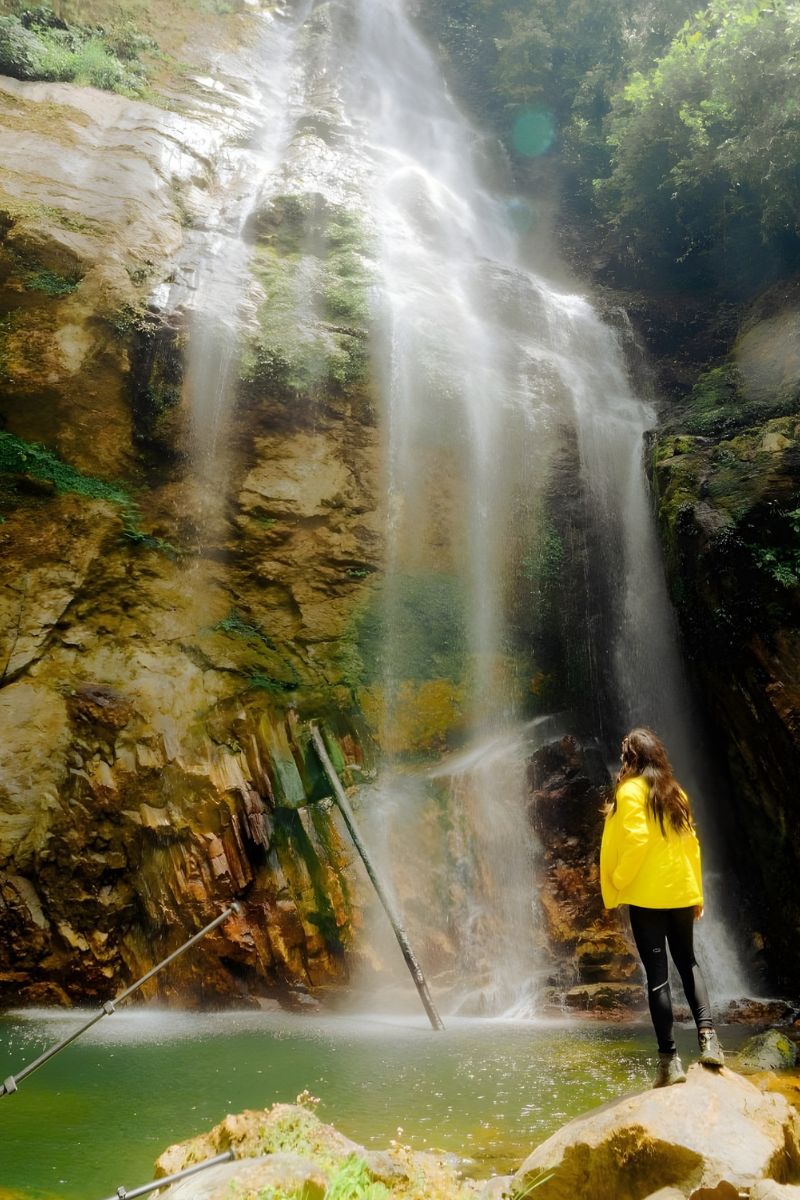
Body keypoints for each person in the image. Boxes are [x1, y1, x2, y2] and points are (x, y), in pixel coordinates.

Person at [600, 727, 724, 1088]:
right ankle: (709, 1040)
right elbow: (692, 844)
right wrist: (697, 893)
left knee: (658, 976)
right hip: (681, 893)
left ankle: (670, 1062)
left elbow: (637, 840)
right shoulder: (676, 792)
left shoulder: (629, 791)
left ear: (631, 758)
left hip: (648, 897)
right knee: (688, 962)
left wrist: (619, 879)